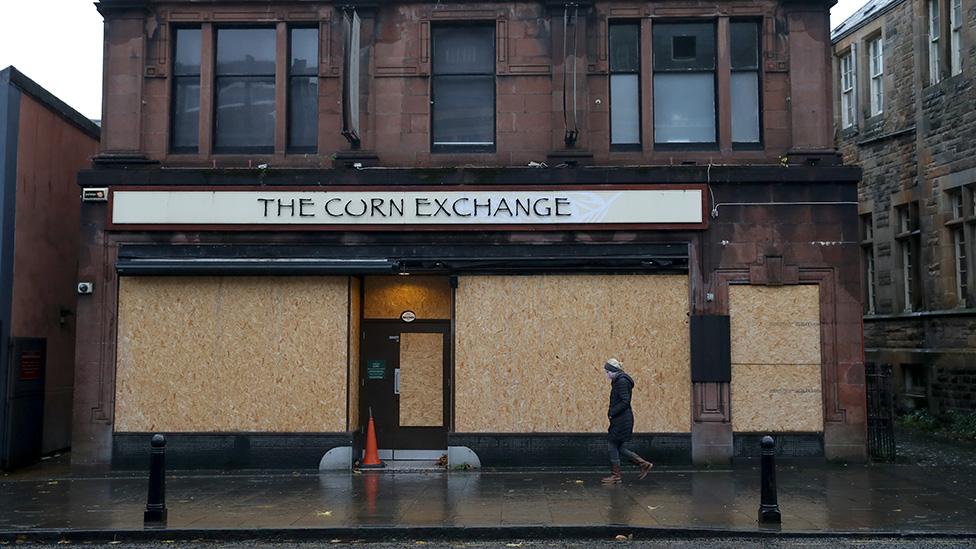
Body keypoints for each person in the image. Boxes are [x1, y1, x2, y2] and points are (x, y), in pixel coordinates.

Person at [602, 358, 653, 484]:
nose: (606, 374)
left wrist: (612, 413)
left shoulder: (622, 382)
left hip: (622, 419)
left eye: (607, 372)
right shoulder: (618, 381)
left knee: (612, 445)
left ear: (613, 371)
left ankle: (616, 476)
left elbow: (625, 401)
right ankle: (643, 464)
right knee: (618, 447)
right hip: (621, 419)